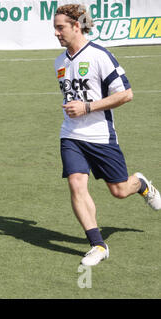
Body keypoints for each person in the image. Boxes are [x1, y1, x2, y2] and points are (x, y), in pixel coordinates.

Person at [53, 4, 161, 266]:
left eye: (61, 27)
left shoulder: (100, 56)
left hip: (100, 136)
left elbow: (126, 94)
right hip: (71, 135)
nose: (56, 33)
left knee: (120, 190)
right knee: (76, 184)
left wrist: (87, 106)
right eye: (54, 28)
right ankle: (98, 245)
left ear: (76, 26)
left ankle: (141, 184)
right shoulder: (59, 62)